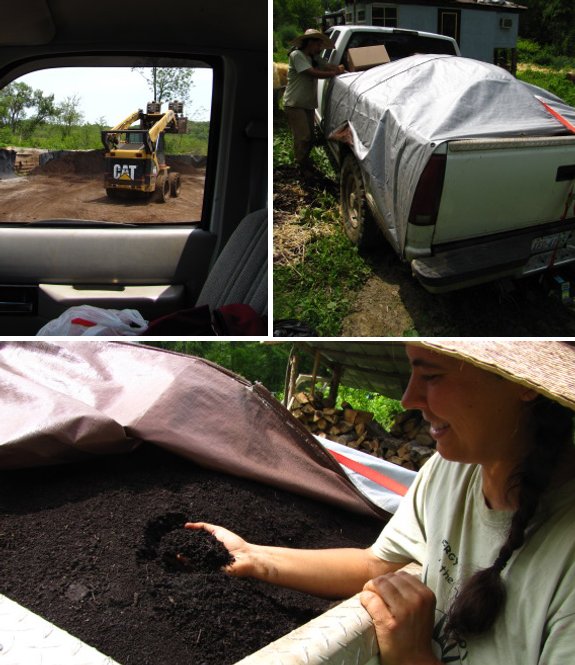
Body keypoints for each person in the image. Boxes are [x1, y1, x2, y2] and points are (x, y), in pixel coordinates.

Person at [185, 340, 575, 664]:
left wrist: (411, 657)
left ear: (523, 385)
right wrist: (255, 557)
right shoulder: (450, 472)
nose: (408, 399)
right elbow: (377, 563)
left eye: (433, 375)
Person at [282, 28, 345, 178]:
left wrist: (340, 68)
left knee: (309, 137)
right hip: (295, 103)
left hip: (307, 104)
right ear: (310, 43)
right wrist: (332, 73)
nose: (319, 48)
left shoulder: (313, 57)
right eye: (318, 45)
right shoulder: (297, 55)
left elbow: (327, 65)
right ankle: (301, 167)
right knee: (303, 136)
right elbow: (311, 72)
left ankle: (305, 163)